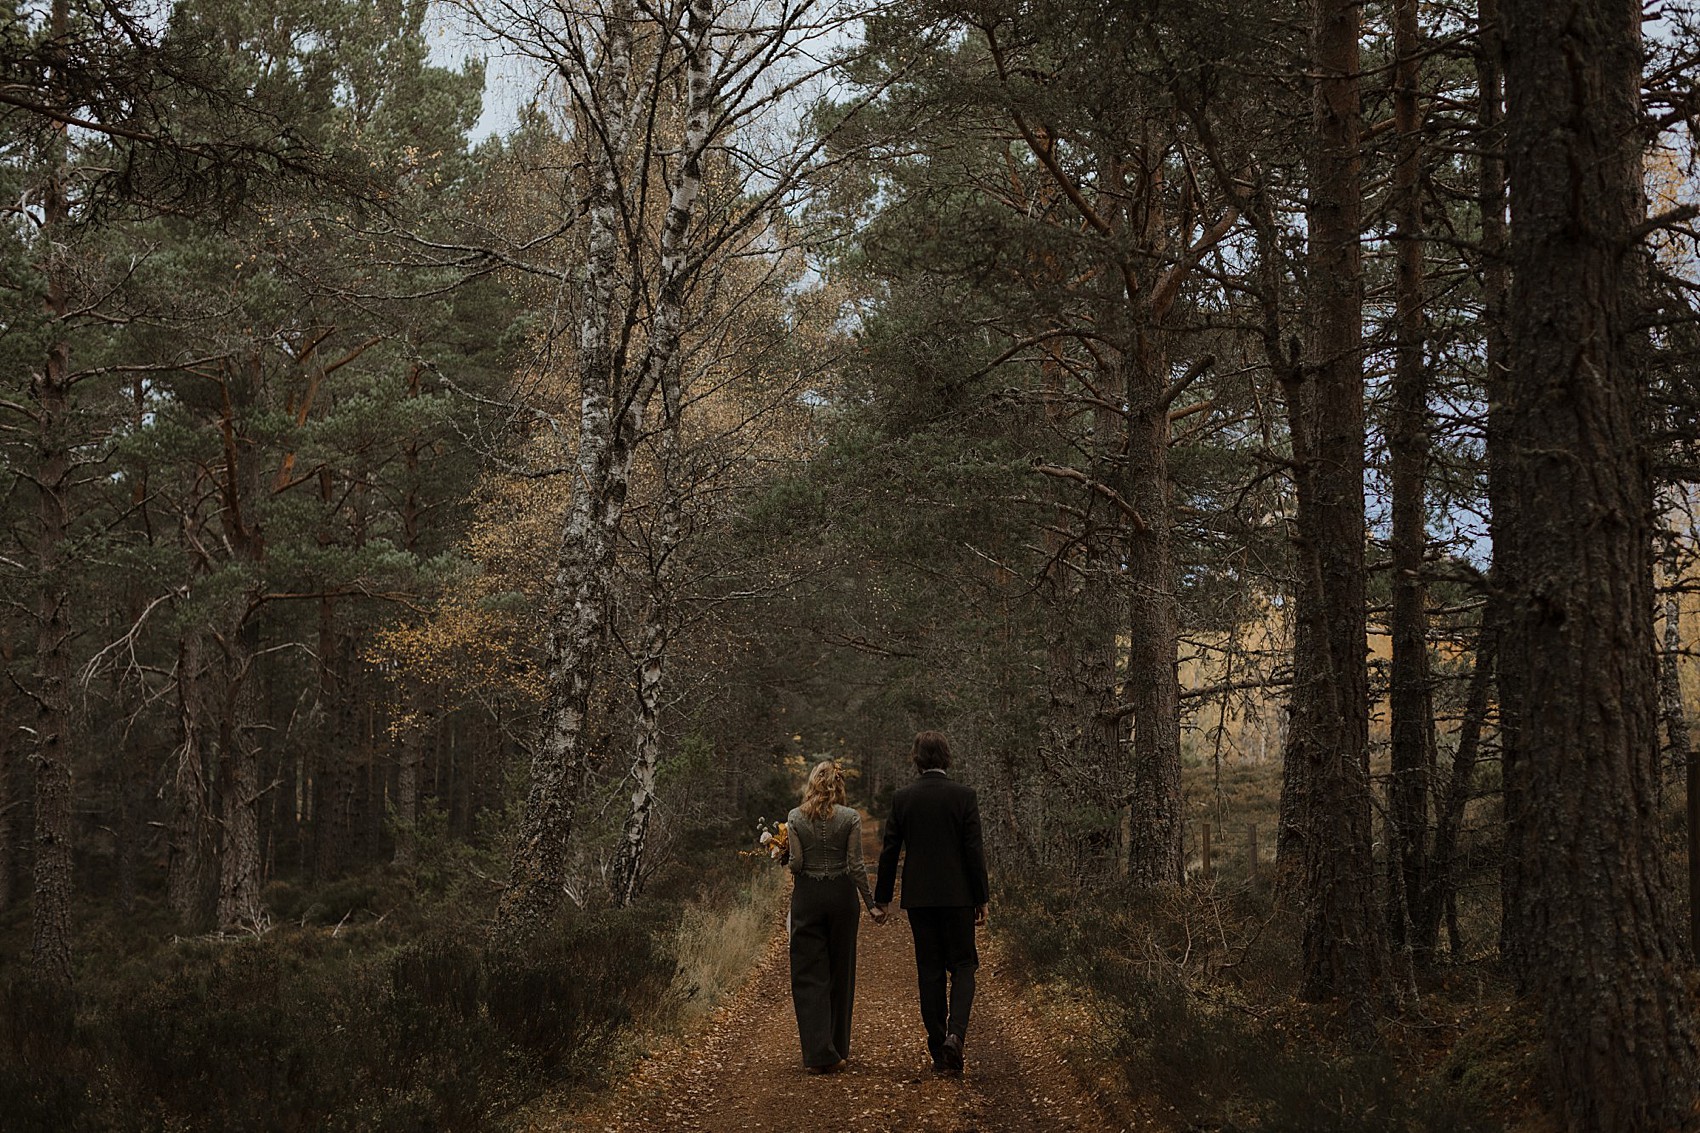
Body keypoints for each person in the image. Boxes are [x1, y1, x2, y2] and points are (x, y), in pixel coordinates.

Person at [873, 730, 990, 1076]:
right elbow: (974, 851)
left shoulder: (903, 798)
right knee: (964, 965)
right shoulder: (963, 796)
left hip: (921, 900)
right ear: (946, 757)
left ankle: (939, 1049)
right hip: (958, 898)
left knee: (930, 970)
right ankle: (956, 1035)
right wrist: (981, 897)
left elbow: (889, 852)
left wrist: (883, 898)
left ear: (917, 759)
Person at [784, 760, 884, 1071]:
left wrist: (784, 854)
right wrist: (870, 904)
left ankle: (817, 1053)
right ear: (838, 785)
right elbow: (856, 866)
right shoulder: (850, 817)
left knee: (808, 974)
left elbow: (797, 865)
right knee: (842, 972)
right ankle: (838, 1048)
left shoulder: (795, 817)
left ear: (813, 782)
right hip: (842, 898)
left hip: (808, 898)